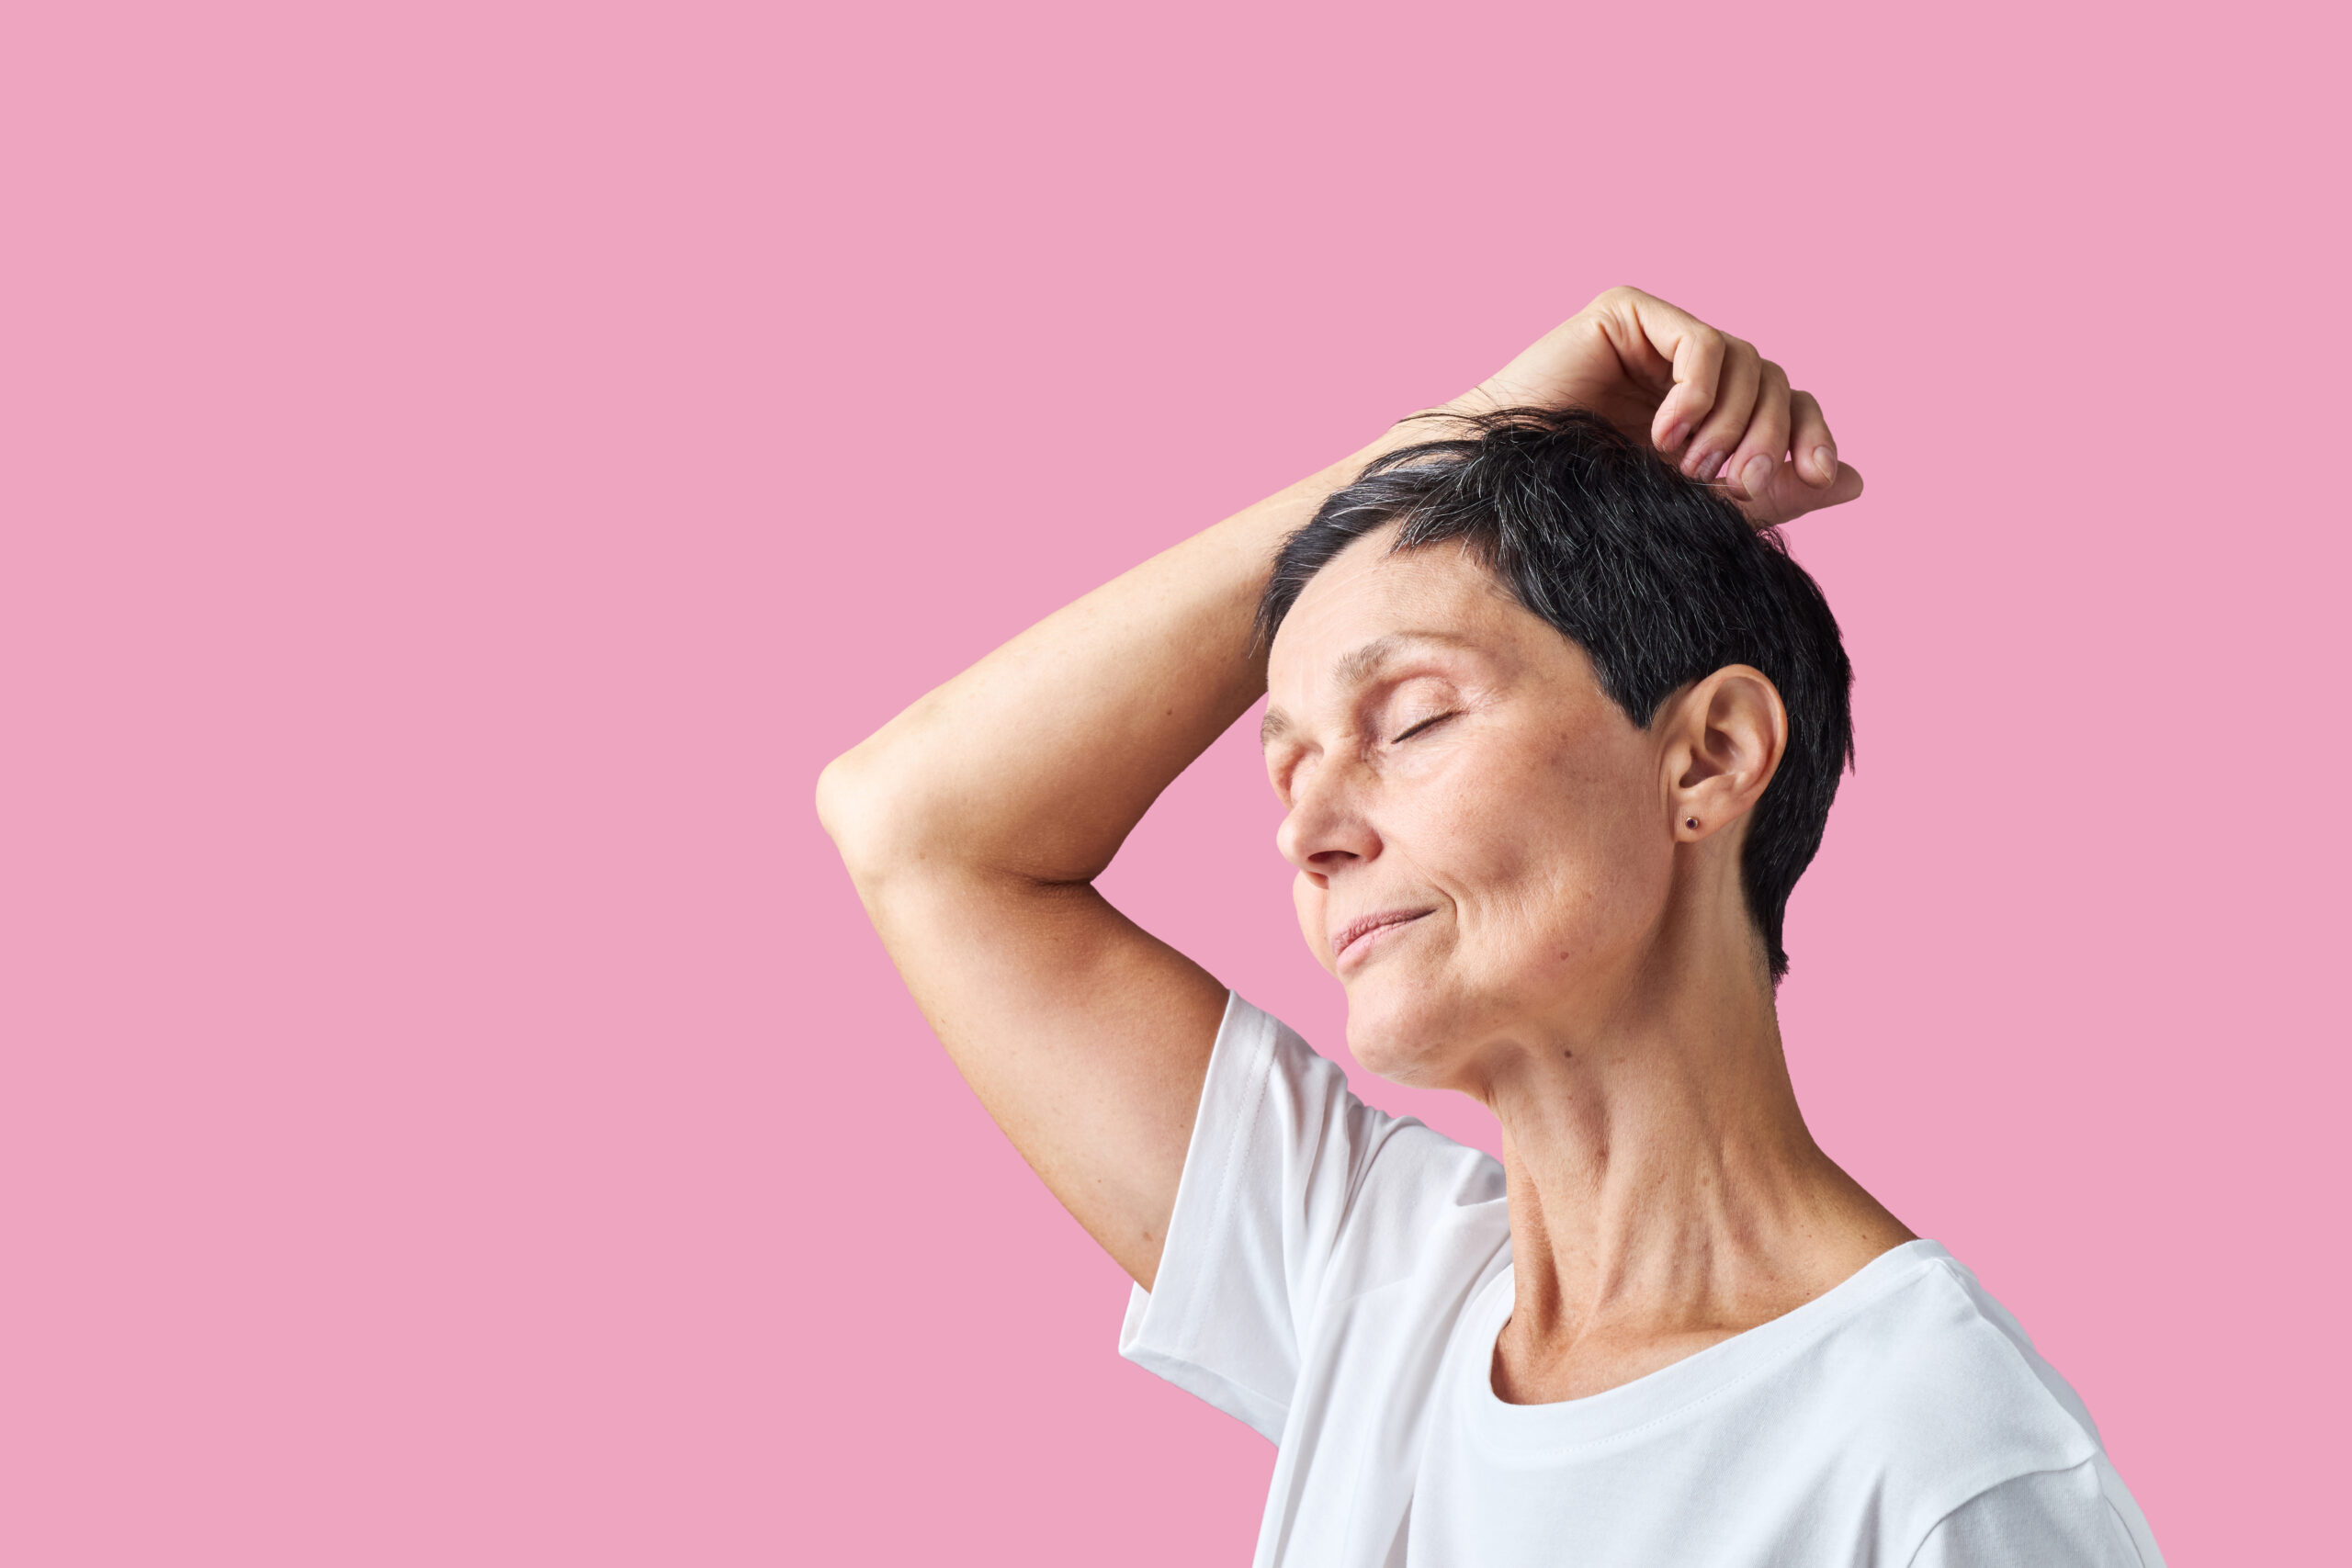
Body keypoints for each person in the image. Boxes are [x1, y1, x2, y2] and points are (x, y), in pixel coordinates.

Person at [815, 288, 2165, 1565]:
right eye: (1286, 770)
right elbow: (917, 828)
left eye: (1408, 721)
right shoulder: (1372, 1286)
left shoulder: (1945, 1469)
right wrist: (1452, 446)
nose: (1308, 832)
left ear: (1707, 758)